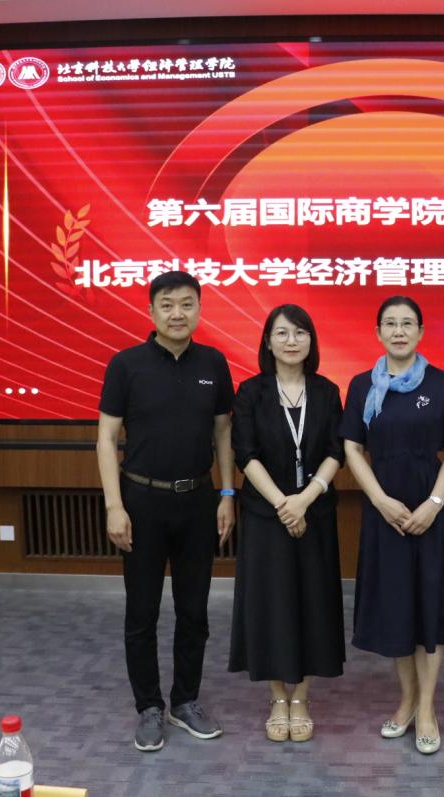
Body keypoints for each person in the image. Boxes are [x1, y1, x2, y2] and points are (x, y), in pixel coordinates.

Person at [97, 270, 236, 752]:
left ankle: (185, 701)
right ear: (152, 311)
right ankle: (149, 706)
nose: (178, 313)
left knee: (194, 610)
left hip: (198, 500)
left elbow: (223, 431)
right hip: (141, 502)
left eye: (187, 304)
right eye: (167, 305)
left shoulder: (213, 362)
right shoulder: (126, 365)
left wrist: (227, 494)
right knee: (142, 612)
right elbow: (106, 438)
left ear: (199, 308)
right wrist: (114, 506)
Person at [339, 295, 444, 755]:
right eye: (390, 324)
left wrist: (435, 502)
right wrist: (379, 500)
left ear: (420, 332)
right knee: (397, 610)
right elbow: (352, 448)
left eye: (407, 323)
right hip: (385, 515)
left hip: (432, 513)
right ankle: (407, 700)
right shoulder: (362, 385)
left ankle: (428, 707)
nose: (398, 331)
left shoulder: (442, 384)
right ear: (378, 332)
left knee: (429, 611)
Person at [228, 304, 345, 743]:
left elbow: (336, 450)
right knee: (271, 604)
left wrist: (306, 499)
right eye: (282, 333)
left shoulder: (327, 391)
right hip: (266, 515)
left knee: (314, 602)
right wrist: (283, 505)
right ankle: (279, 696)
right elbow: (245, 453)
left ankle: (303, 697)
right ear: (268, 342)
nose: (291, 341)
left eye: (300, 333)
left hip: (316, 513)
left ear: (311, 341)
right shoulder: (251, 392)